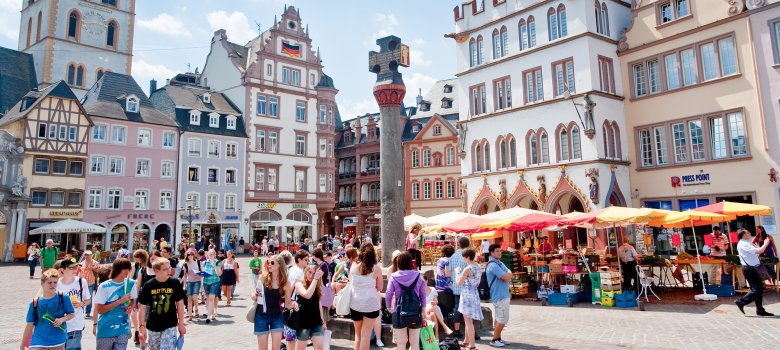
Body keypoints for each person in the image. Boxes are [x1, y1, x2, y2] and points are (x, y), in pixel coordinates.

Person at [137, 259, 186, 350]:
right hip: (153, 325)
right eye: (165, 269)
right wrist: (141, 326)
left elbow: (180, 304)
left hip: (170, 325)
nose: (169, 270)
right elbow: (142, 307)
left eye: (169, 267)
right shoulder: (148, 285)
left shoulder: (175, 283)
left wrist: (181, 323)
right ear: (156, 271)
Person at [21, 269, 76, 350]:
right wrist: (22, 345)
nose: (52, 285)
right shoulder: (35, 302)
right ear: (42, 284)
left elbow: (71, 314)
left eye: (55, 282)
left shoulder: (63, 297)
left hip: (58, 340)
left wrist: (62, 319)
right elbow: (29, 325)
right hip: (38, 341)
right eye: (49, 282)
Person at [252, 254, 295, 350]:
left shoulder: (285, 283)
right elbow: (254, 295)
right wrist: (255, 295)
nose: (269, 265)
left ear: (279, 265)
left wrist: (294, 303)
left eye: (272, 263)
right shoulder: (262, 277)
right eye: (268, 262)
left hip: (277, 316)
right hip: (261, 315)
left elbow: (287, 303)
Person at [386, 251, 426, 350]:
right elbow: (423, 294)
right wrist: (424, 309)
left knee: (401, 343)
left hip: (399, 311)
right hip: (415, 311)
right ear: (410, 262)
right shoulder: (418, 276)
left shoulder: (394, 276)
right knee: (415, 342)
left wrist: (388, 306)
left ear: (398, 263)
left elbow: (389, 293)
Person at [93, 258, 136, 350]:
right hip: (105, 329)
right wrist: (119, 301)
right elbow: (100, 309)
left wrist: (130, 306)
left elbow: (132, 300)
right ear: (117, 269)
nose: (127, 271)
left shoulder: (131, 283)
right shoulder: (104, 286)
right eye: (124, 268)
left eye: (128, 268)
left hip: (123, 329)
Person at [349, 243, 383, 350]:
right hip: (370, 305)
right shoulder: (376, 269)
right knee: (366, 335)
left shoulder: (354, 265)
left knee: (358, 335)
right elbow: (380, 288)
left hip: (355, 303)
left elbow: (350, 281)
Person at [735, 229, 774, 317]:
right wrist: (765, 244)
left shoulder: (747, 243)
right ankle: (741, 302)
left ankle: (759, 309)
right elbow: (760, 251)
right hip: (750, 269)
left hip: (752, 268)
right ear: (743, 235)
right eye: (748, 233)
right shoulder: (744, 244)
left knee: (758, 289)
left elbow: (758, 251)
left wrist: (758, 246)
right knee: (757, 289)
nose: (750, 233)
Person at [57, 259, 91, 350]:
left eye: (75, 267)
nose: (75, 270)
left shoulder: (81, 281)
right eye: (71, 268)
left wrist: (81, 304)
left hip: (76, 324)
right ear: (62, 270)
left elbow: (88, 300)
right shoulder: (56, 283)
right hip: (60, 325)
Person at [292, 265, 327, 350]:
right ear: (305, 272)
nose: (311, 275)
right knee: (301, 348)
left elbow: (318, 303)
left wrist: (323, 320)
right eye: (309, 272)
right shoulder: (299, 284)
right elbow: (307, 295)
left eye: (314, 273)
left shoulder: (317, 286)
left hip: (316, 322)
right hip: (303, 322)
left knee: (319, 347)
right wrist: (315, 279)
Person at [456, 248, 483, 350]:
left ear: (467, 257)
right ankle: (466, 341)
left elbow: (459, 283)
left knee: (468, 321)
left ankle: (472, 345)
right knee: (468, 320)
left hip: (467, 295)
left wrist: (457, 273)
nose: (463, 259)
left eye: (464, 257)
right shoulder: (478, 266)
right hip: (474, 294)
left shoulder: (467, 269)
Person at [486, 244, 512, 347]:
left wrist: (506, 276)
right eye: (497, 251)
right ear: (491, 253)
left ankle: (498, 338)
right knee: (503, 318)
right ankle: (494, 339)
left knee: (499, 317)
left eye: (500, 251)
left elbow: (509, 273)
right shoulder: (493, 265)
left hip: (503, 293)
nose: (499, 253)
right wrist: (505, 276)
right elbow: (505, 276)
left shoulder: (499, 263)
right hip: (498, 295)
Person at [449, 237, 470, 338]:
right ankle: (470, 330)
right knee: (469, 309)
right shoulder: (468, 255)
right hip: (467, 286)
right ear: (468, 244)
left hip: (456, 286)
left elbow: (449, 272)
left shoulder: (453, 256)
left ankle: (456, 330)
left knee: (457, 308)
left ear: (459, 244)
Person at [435, 244, 455, 325]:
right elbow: (448, 274)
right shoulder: (448, 261)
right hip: (446, 286)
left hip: (438, 285)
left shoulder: (440, 260)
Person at [201, 249, 223, 323]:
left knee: (211, 297)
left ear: (215, 255)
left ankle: (208, 316)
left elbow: (219, 274)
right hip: (206, 282)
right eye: (210, 254)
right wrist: (202, 273)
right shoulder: (205, 262)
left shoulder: (217, 262)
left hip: (215, 282)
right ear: (207, 255)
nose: (211, 256)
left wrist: (214, 266)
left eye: (212, 254)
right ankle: (212, 314)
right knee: (208, 298)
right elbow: (203, 272)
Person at [77, 251, 99, 318]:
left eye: (88, 255)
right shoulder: (81, 263)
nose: (87, 256)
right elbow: (77, 271)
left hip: (90, 282)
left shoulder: (95, 262)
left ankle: (88, 312)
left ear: (91, 255)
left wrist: (92, 268)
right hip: (81, 282)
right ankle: (81, 311)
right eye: (86, 255)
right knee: (81, 297)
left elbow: (98, 271)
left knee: (89, 297)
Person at [182, 251, 203, 322]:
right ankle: (190, 315)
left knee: (194, 296)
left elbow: (202, 272)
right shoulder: (185, 264)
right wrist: (184, 285)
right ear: (186, 256)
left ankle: (196, 309)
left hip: (197, 281)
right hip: (189, 281)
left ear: (194, 255)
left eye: (191, 254)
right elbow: (185, 276)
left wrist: (200, 274)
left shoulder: (198, 262)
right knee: (189, 298)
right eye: (188, 255)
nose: (190, 256)